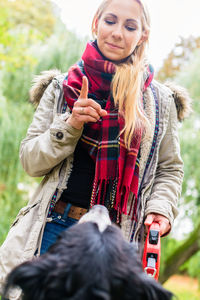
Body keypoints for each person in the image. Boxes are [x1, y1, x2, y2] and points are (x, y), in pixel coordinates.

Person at [0, 0, 191, 299]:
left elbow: (170, 169)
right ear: (96, 23)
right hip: (54, 230)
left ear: (143, 35)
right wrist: (71, 124)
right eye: (110, 21)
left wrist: (160, 210)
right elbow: (30, 162)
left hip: (118, 241)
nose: (117, 32)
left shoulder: (162, 101)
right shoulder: (61, 87)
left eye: (130, 26)